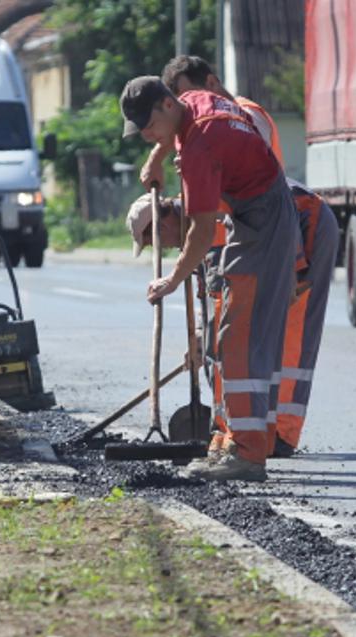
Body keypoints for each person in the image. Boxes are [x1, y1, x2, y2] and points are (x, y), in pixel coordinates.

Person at [120, 75, 298, 482]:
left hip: (263, 220)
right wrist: (156, 158)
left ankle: (248, 455)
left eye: (149, 128)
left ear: (166, 105)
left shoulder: (201, 146)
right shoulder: (193, 102)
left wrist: (170, 280)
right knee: (233, 336)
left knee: (238, 337)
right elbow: (178, 131)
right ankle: (231, 441)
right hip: (257, 212)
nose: (148, 136)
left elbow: (199, 231)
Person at [126, 179, 338, 458]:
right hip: (276, 229)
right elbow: (211, 292)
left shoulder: (209, 213)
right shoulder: (197, 225)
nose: (163, 250)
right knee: (232, 338)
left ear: (162, 226)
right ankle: (242, 430)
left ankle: (281, 434)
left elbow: (224, 294)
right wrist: (201, 337)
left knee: (292, 333)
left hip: (307, 224)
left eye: (156, 243)